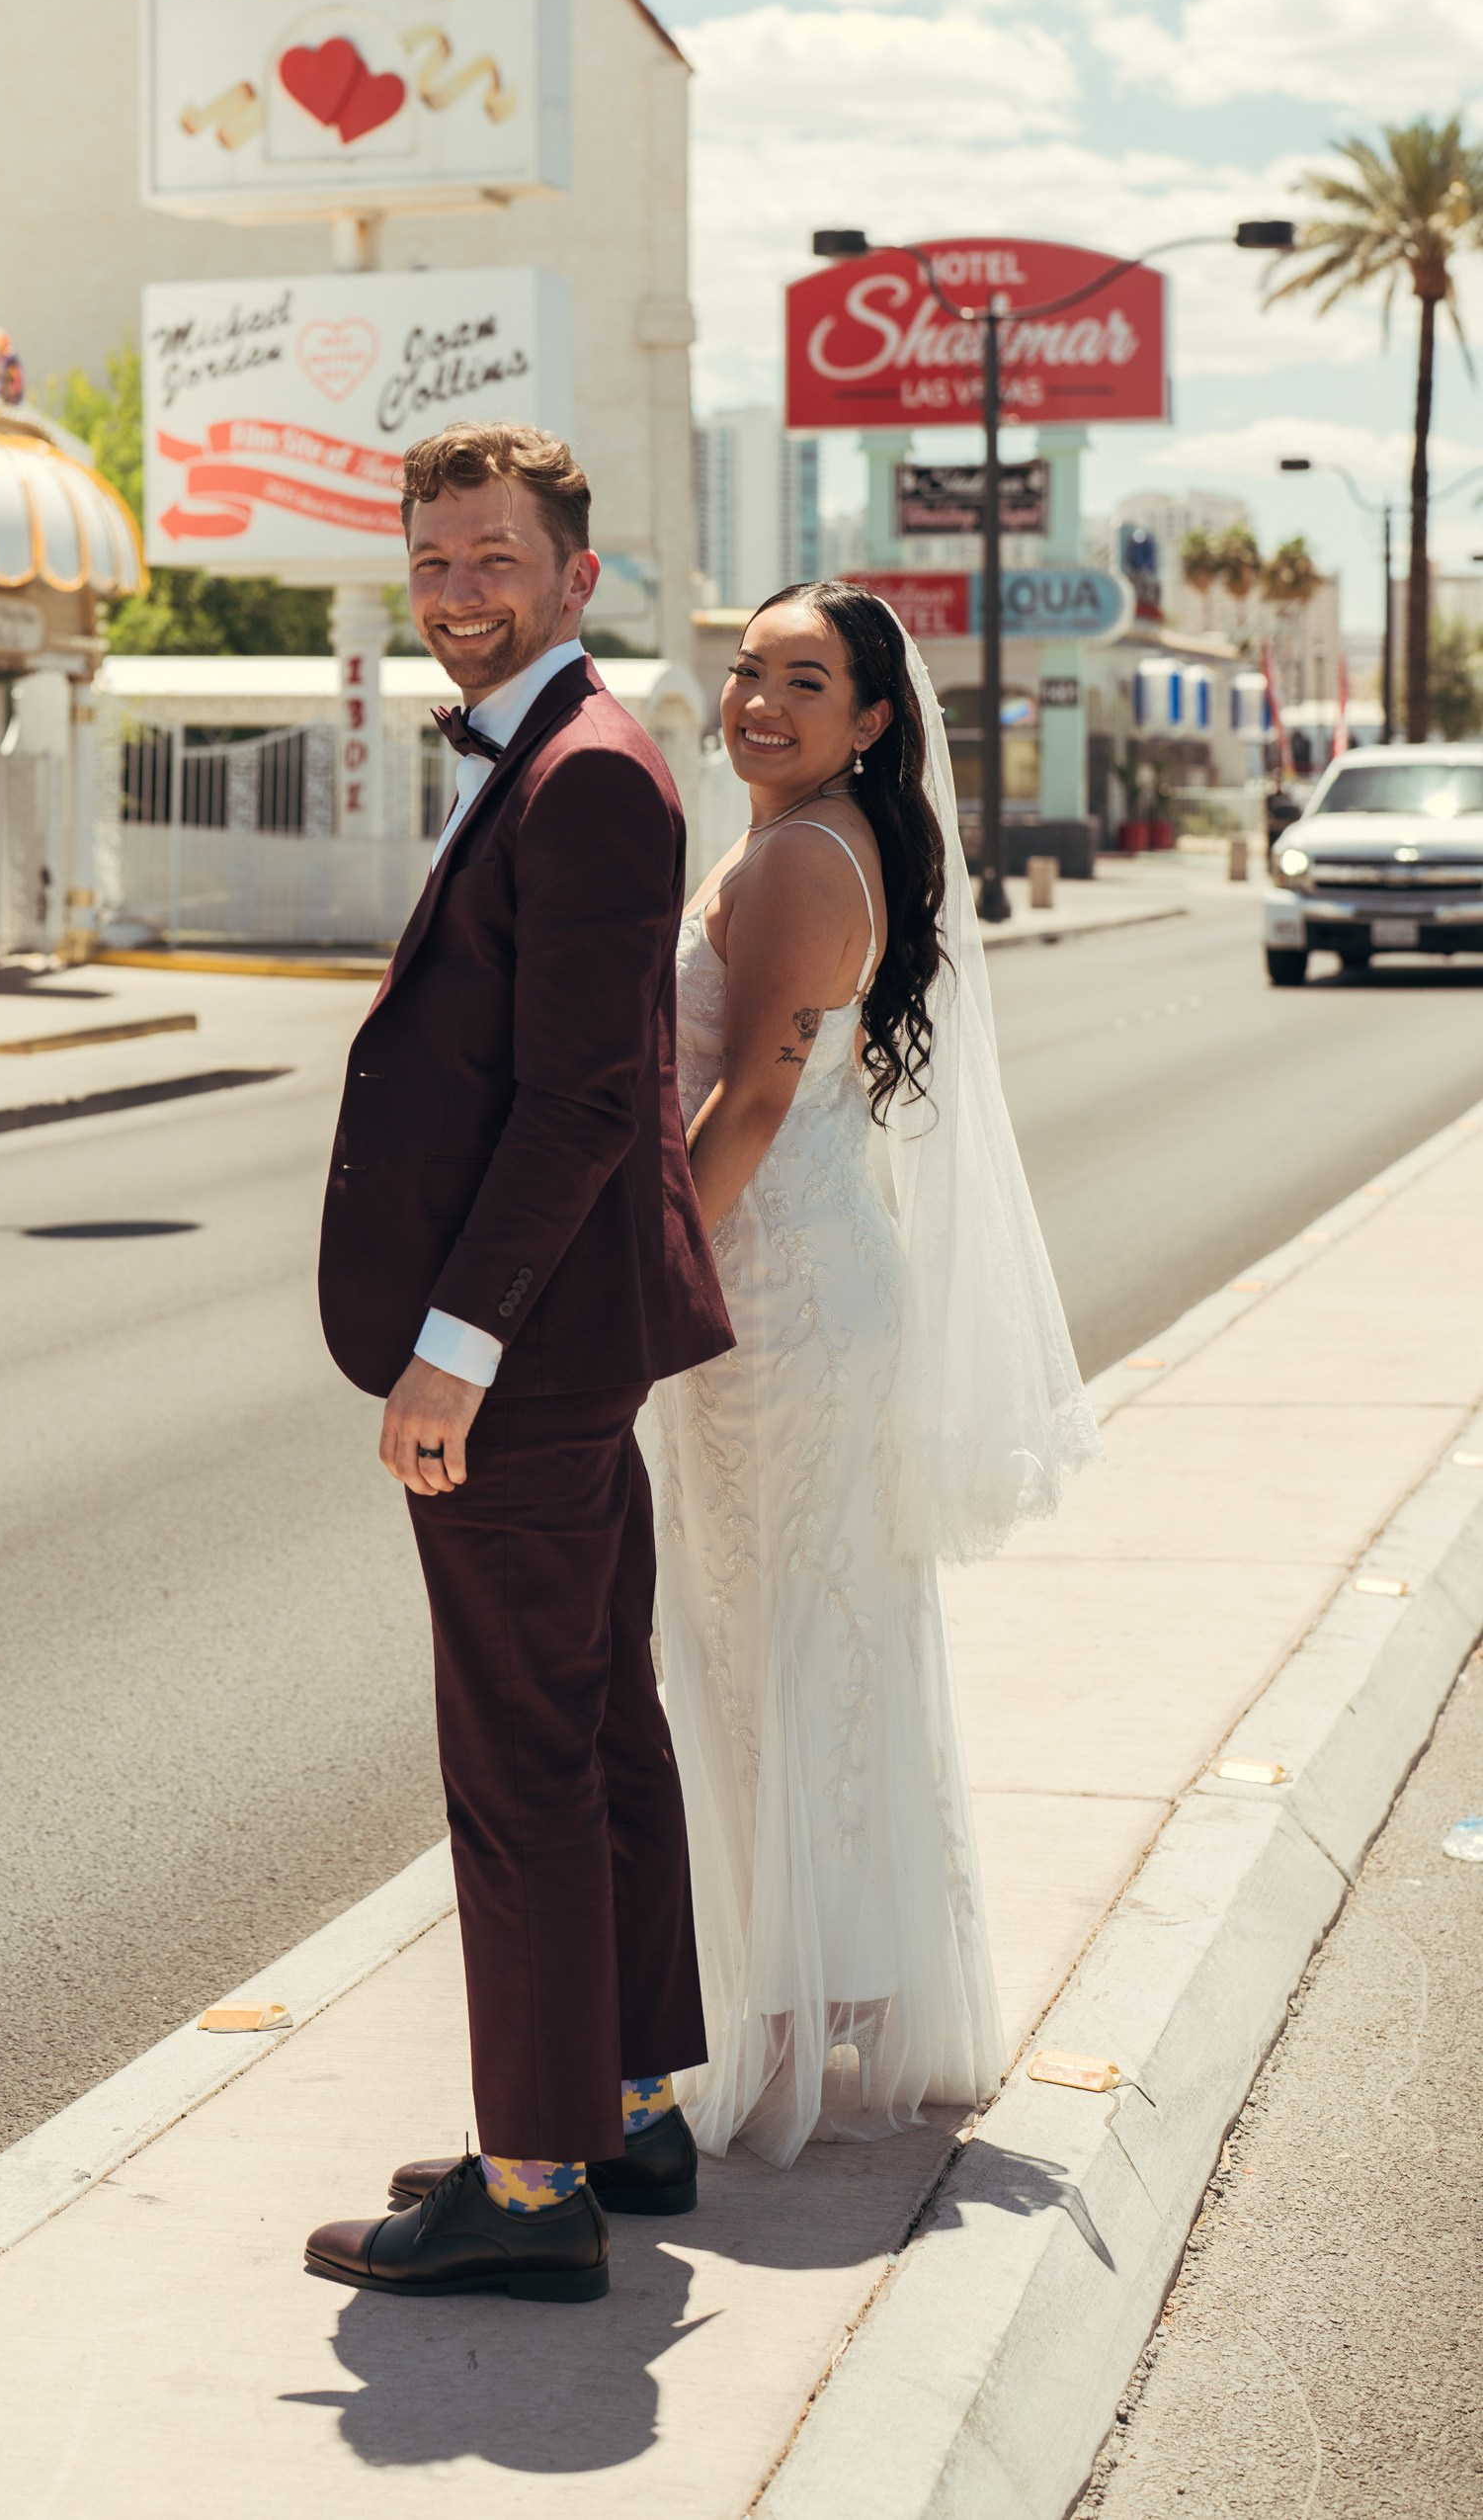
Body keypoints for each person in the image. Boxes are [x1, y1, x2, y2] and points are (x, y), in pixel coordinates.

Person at [305, 422, 734, 2308]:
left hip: (526, 1360)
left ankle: (534, 2176)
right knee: (602, 1724)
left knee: (522, 1766)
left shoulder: (584, 777)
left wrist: (451, 1357)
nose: (460, 592)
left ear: (577, 574)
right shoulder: (564, 757)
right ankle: (623, 2107)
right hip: (569, 1352)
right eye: (433, 562)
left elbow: (575, 1104)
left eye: (494, 558)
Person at [645, 581, 1098, 2167]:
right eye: (747, 670)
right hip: (804, 1278)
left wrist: (651, 1290)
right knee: (799, 1631)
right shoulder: (815, 841)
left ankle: (767, 2027)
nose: (757, 700)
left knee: (765, 1632)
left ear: (873, 718)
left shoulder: (793, 861)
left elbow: (752, 1110)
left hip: (777, 1300)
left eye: (804, 679)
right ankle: (807, 1994)